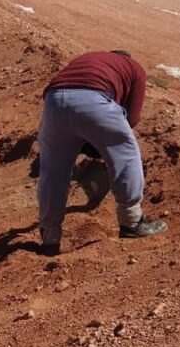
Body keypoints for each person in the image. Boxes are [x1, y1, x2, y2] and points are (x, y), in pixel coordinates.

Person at [37, 49, 167, 256]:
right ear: (126, 59)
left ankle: (50, 236)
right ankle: (132, 222)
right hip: (94, 99)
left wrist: (80, 139)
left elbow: (62, 92)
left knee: (53, 172)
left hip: (53, 101)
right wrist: (102, 142)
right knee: (127, 153)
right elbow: (132, 119)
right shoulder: (135, 69)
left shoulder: (88, 58)